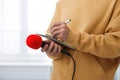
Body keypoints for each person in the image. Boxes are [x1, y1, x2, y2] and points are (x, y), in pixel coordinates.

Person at [41, 0, 120, 80]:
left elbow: (116, 46)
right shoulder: (62, 2)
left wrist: (73, 37)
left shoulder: (116, 2)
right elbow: (51, 37)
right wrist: (53, 50)